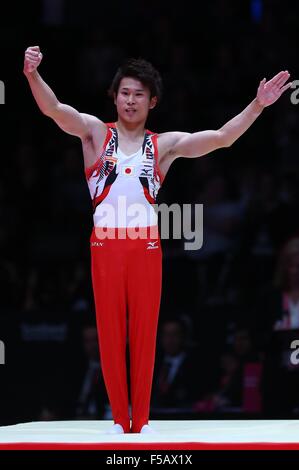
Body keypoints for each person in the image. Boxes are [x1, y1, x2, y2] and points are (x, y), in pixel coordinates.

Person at [23, 45, 291, 434]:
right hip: (106, 245)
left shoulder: (162, 146)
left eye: (139, 95)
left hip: (146, 245)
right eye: (124, 93)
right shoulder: (95, 133)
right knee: (110, 330)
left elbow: (220, 139)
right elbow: (54, 109)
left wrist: (258, 105)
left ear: (152, 102)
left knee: (145, 330)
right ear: (114, 97)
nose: (130, 101)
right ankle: (119, 418)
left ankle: (142, 419)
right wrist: (33, 75)